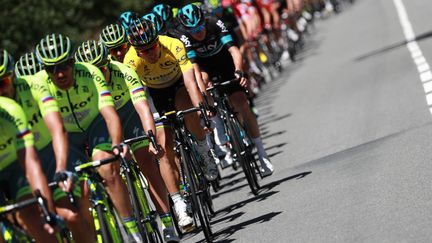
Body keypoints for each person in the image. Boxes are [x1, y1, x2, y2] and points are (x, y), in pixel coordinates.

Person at [34, 33, 143, 242]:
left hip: (95, 125)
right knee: (80, 193)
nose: (59, 74)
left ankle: (132, 232)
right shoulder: (41, 85)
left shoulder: (91, 73)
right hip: (69, 135)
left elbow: (110, 114)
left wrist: (117, 143)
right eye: (51, 69)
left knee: (106, 168)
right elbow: (56, 129)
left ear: (72, 61)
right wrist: (60, 167)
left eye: (64, 65)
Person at [74, 40, 179, 242]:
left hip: (129, 116)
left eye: (102, 68)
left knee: (147, 161)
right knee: (107, 169)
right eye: (92, 70)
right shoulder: (84, 83)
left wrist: (150, 136)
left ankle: (167, 224)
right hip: (104, 123)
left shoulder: (124, 71)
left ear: (109, 63)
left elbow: (142, 107)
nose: (98, 74)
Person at [123, 17, 218, 230]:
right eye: (144, 50)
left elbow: (190, 81)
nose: (150, 53)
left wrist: (201, 107)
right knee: (163, 148)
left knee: (188, 110)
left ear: (158, 41)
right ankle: (179, 204)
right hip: (154, 95)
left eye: (152, 46)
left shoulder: (173, 44)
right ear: (136, 51)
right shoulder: (130, 60)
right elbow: (139, 100)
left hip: (178, 85)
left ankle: (204, 150)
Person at [177, 4, 274, 175]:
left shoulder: (214, 23)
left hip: (225, 62)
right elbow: (195, 70)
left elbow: (234, 51)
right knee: (202, 82)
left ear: (204, 22)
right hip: (205, 67)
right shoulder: (185, 37)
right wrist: (202, 89)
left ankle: (261, 152)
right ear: (186, 30)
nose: (198, 32)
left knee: (242, 103)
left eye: (200, 27)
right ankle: (217, 123)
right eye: (193, 30)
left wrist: (238, 70)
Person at [8, 50, 95, 242]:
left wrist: (61, 168)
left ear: (13, 76)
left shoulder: (33, 87)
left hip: (47, 158)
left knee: (70, 216)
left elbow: (58, 129)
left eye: (4, 82)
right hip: (17, 168)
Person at [0, 93, 57, 241]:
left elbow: (32, 165)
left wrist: (49, 212)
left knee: (34, 216)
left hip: (16, 165)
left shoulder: (10, 110)